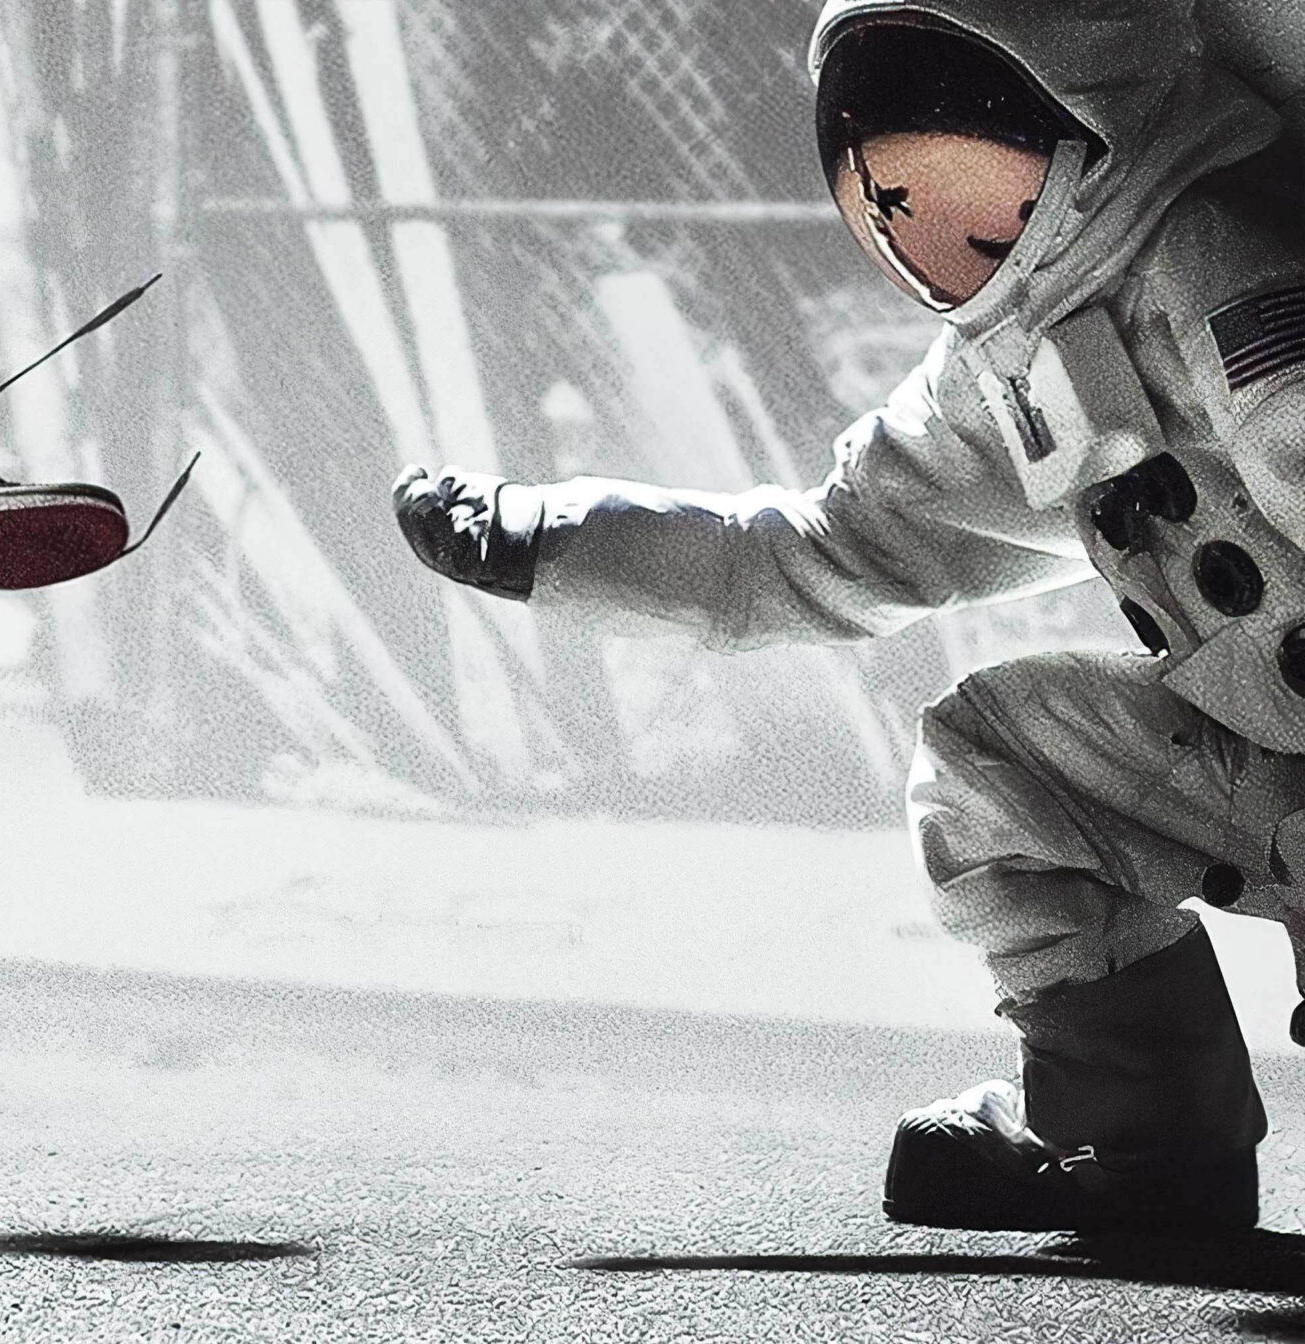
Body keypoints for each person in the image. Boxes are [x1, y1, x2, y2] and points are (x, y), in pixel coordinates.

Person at [396, 0, 1303, 1229]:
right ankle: (1146, 1140)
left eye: (949, 171)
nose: (913, 216)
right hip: (1268, 762)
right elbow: (820, 554)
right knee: (997, 765)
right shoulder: (1023, 363)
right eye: (886, 195)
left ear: (1096, 108)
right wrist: (552, 542)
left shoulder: (1222, 265)